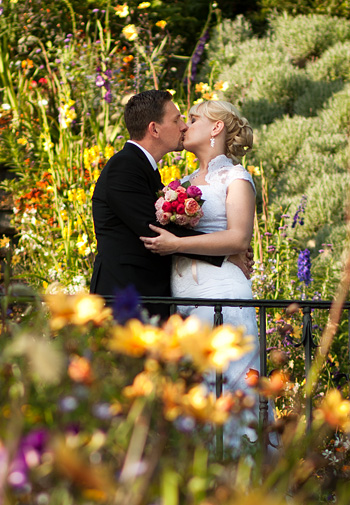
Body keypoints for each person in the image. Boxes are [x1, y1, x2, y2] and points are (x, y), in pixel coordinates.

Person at [140, 99, 260, 448]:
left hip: (223, 295)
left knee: (231, 390)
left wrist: (176, 244)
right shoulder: (180, 184)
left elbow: (238, 237)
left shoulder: (237, 178)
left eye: (193, 119)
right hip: (184, 298)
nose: (185, 125)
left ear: (217, 128)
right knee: (195, 396)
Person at [90, 89, 226, 319]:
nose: (184, 126)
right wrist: (225, 251)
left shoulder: (143, 168)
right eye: (176, 120)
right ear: (154, 129)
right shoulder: (123, 167)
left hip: (144, 297)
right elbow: (154, 228)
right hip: (124, 298)